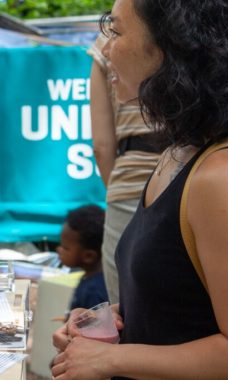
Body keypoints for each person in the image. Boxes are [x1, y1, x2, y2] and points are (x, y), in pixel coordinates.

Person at [51, 0, 228, 378]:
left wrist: (110, 360)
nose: (105, 47)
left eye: (116, 31)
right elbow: (179, 307)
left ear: (171, 46)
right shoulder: (180, 154)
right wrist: (106, 324)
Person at [87, 32, 161, 304]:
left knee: (125, 309)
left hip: (131, 176)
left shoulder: (105, 40)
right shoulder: (196, 19)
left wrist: (118, 189)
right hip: (202, 168)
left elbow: (102, 146)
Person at [58, 205, 107, 311]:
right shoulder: (89, 278)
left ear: (88, 256)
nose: (59, 250)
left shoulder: (93, 292)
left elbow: (95, 325)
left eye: (65, 248)